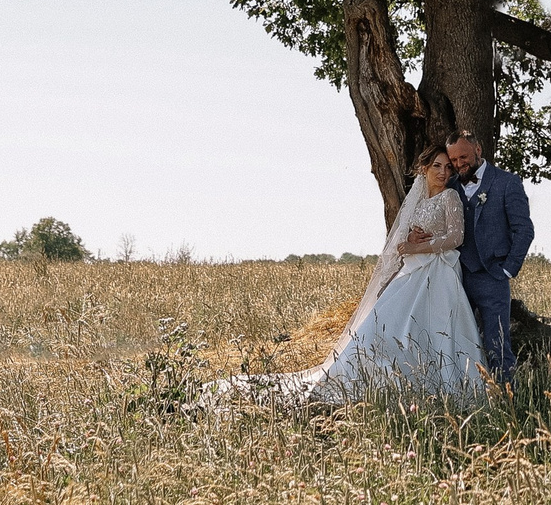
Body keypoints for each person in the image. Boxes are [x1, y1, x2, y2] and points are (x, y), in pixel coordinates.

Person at [203, 145, 485, 407]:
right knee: (385, 326)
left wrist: (418, 245)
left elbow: (456, 237)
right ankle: (377, 377)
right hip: (412, 271)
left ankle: (439, 382)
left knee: (437, 330)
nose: (443, 173)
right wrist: (410, 238)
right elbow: (404, 237)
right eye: (437, 166)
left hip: (439, 273)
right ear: (424, 168)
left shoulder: (451, 197)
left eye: (448, 167)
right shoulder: (419, 200)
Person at [445, 131, 532, 382]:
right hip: (456, 277)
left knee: (498, 344)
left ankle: (508, 404)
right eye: (454, 159)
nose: (459, 163)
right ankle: (465, 398)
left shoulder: (507, 182)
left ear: (478, 150)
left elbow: (523, 229)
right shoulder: (449, 186)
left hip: (493, 277)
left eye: (463, 156)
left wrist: (508, 269)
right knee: (455, 341)